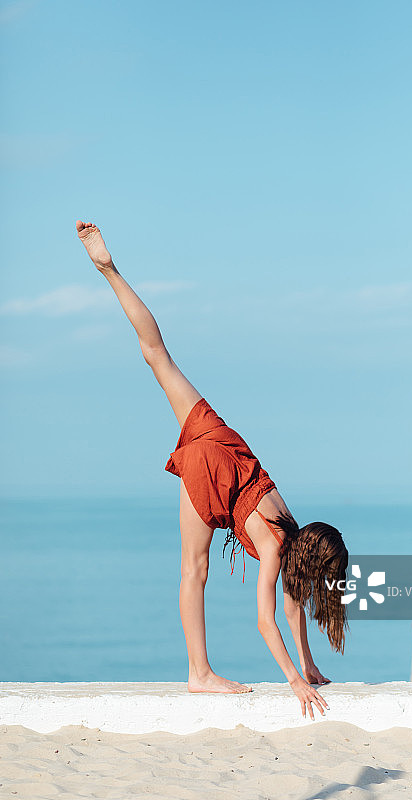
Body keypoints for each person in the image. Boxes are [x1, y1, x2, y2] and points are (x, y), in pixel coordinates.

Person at [76, 220, 349, 720]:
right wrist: (295, 681)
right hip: (212, 475)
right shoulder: (274, 548)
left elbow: (291, 602)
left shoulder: (289, 521)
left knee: (158, 356)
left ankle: (108, 269)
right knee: (194, 571)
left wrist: (308, 665)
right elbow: (269, 621)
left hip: (219, 441)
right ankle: (199, 673)